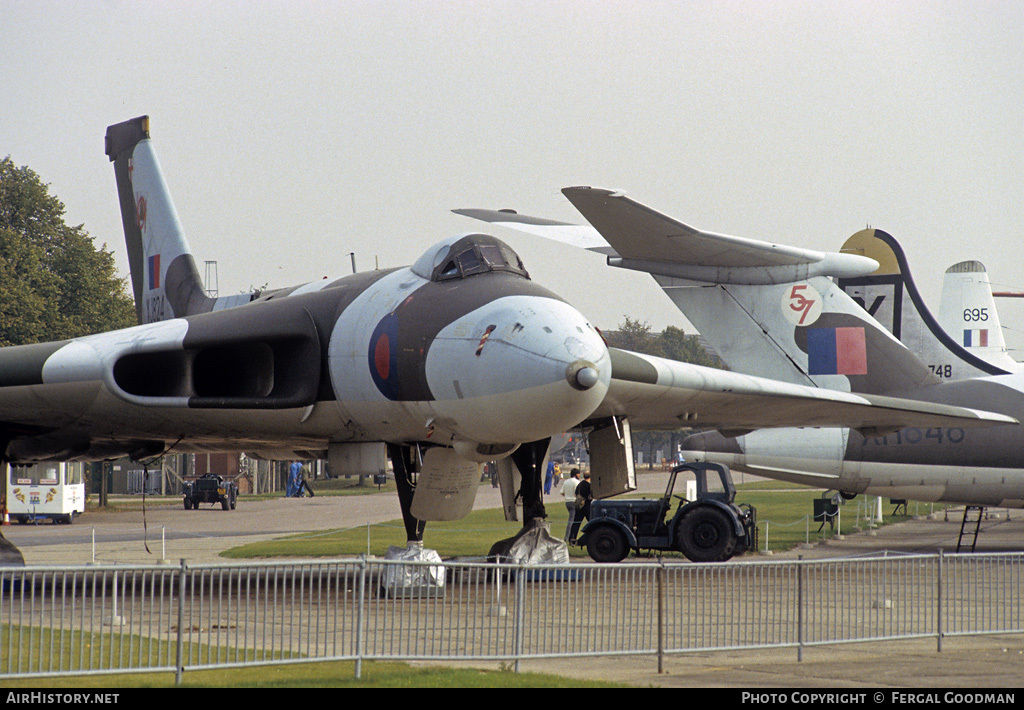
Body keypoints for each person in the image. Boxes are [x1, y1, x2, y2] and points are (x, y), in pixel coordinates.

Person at [568, 471, 593, 543]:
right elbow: (591, 496)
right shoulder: (589, 486)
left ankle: (572, 538)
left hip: (579, 506)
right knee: (592, 522)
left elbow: (576, 493)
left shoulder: (580, 484)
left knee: (576, 523)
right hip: (587, 506)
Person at [561, 468, 580, 542]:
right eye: (578, 474)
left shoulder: (566, 482)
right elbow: (577, 493)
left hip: (567, 502)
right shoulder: (577, 482)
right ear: (576, 474)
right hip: (574, 502)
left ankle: (571, 536)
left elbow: (562, 492)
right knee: (571, 520)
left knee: (573, 519)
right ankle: (568, 537)